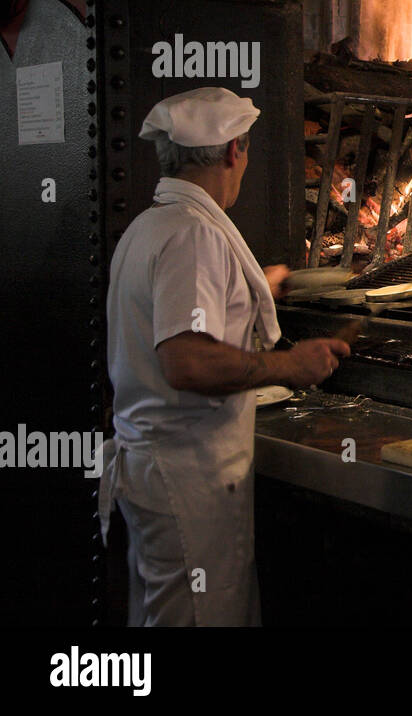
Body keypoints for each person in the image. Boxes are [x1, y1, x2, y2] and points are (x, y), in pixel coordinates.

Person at [101, 87, 350, 626]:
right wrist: (291, 363)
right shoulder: (194, 235)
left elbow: (179, 308)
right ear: (234, 150)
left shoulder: (151, 226)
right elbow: (185, 361)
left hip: (158, 473)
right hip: (187, 482)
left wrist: (253, 286)